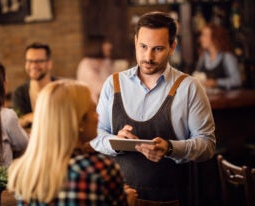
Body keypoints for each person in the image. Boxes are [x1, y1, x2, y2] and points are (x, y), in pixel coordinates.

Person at [90, 11, 216, 205]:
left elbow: (207, 145)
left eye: (157, 49)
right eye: (143, 47)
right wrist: (115, 141)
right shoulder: (113, 84)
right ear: (135, 41)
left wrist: (171, 148)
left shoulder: (189, 87)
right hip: (120, 197)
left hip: (172, 199)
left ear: (172, 46)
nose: (148, 57)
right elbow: (96, 136)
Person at [7, 79, 137, 205]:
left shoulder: (24, 171)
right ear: (79, 122)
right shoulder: (100, 170)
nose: (99, 117)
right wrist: (128, 202)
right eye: (93, 111)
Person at [12, 42, 57, 127]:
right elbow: (16, 124)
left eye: (39, 61)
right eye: (29, 61)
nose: (33, 65)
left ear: (49, 64)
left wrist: (31, 117)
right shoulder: (20, 93)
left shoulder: (60, 88)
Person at [194, 23, 241, 90]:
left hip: (224, 99)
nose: (200, 38)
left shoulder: (227, 57)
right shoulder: (203, 57)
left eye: (204, 35)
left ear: (214, 37)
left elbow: (237, 81)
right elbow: (197, 75)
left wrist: (215, 82)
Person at [77, 36, 114, 103]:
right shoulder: (86, 64)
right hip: (91, 107)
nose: (110, 46)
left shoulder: (105, 62)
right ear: (97, 46)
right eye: (105, 43)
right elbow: (102, 88)